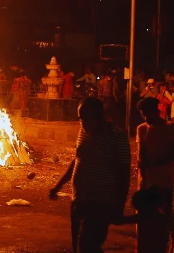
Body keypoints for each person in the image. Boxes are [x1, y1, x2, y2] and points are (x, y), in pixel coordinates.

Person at [50, 97, 131, 253]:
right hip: (79, 199)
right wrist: (58, 185)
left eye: (86, 119)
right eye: (80, 119)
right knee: (78, 246)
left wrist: (118, 207)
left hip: (100, 202)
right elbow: (77, 159)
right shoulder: (83, 131)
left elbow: (124, 175)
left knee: (87, 246)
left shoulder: (117, 137)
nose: (82, 123)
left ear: (99, 117)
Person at [137, 96, 174, 213]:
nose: (146, 117)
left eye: (148, 114)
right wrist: (142, 178)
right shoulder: (142, 129)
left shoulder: (170, 128)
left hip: (164, 179)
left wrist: (152, 163)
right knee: (146, 215)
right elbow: (141, 155)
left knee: (165, 212)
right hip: (146, 180)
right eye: (143, 115)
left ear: (156, 112)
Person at [114, 188, 172, 253]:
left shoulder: (143, 217)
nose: (139, 211)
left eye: (140, 209)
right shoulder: (163, 218)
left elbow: (118, 221)